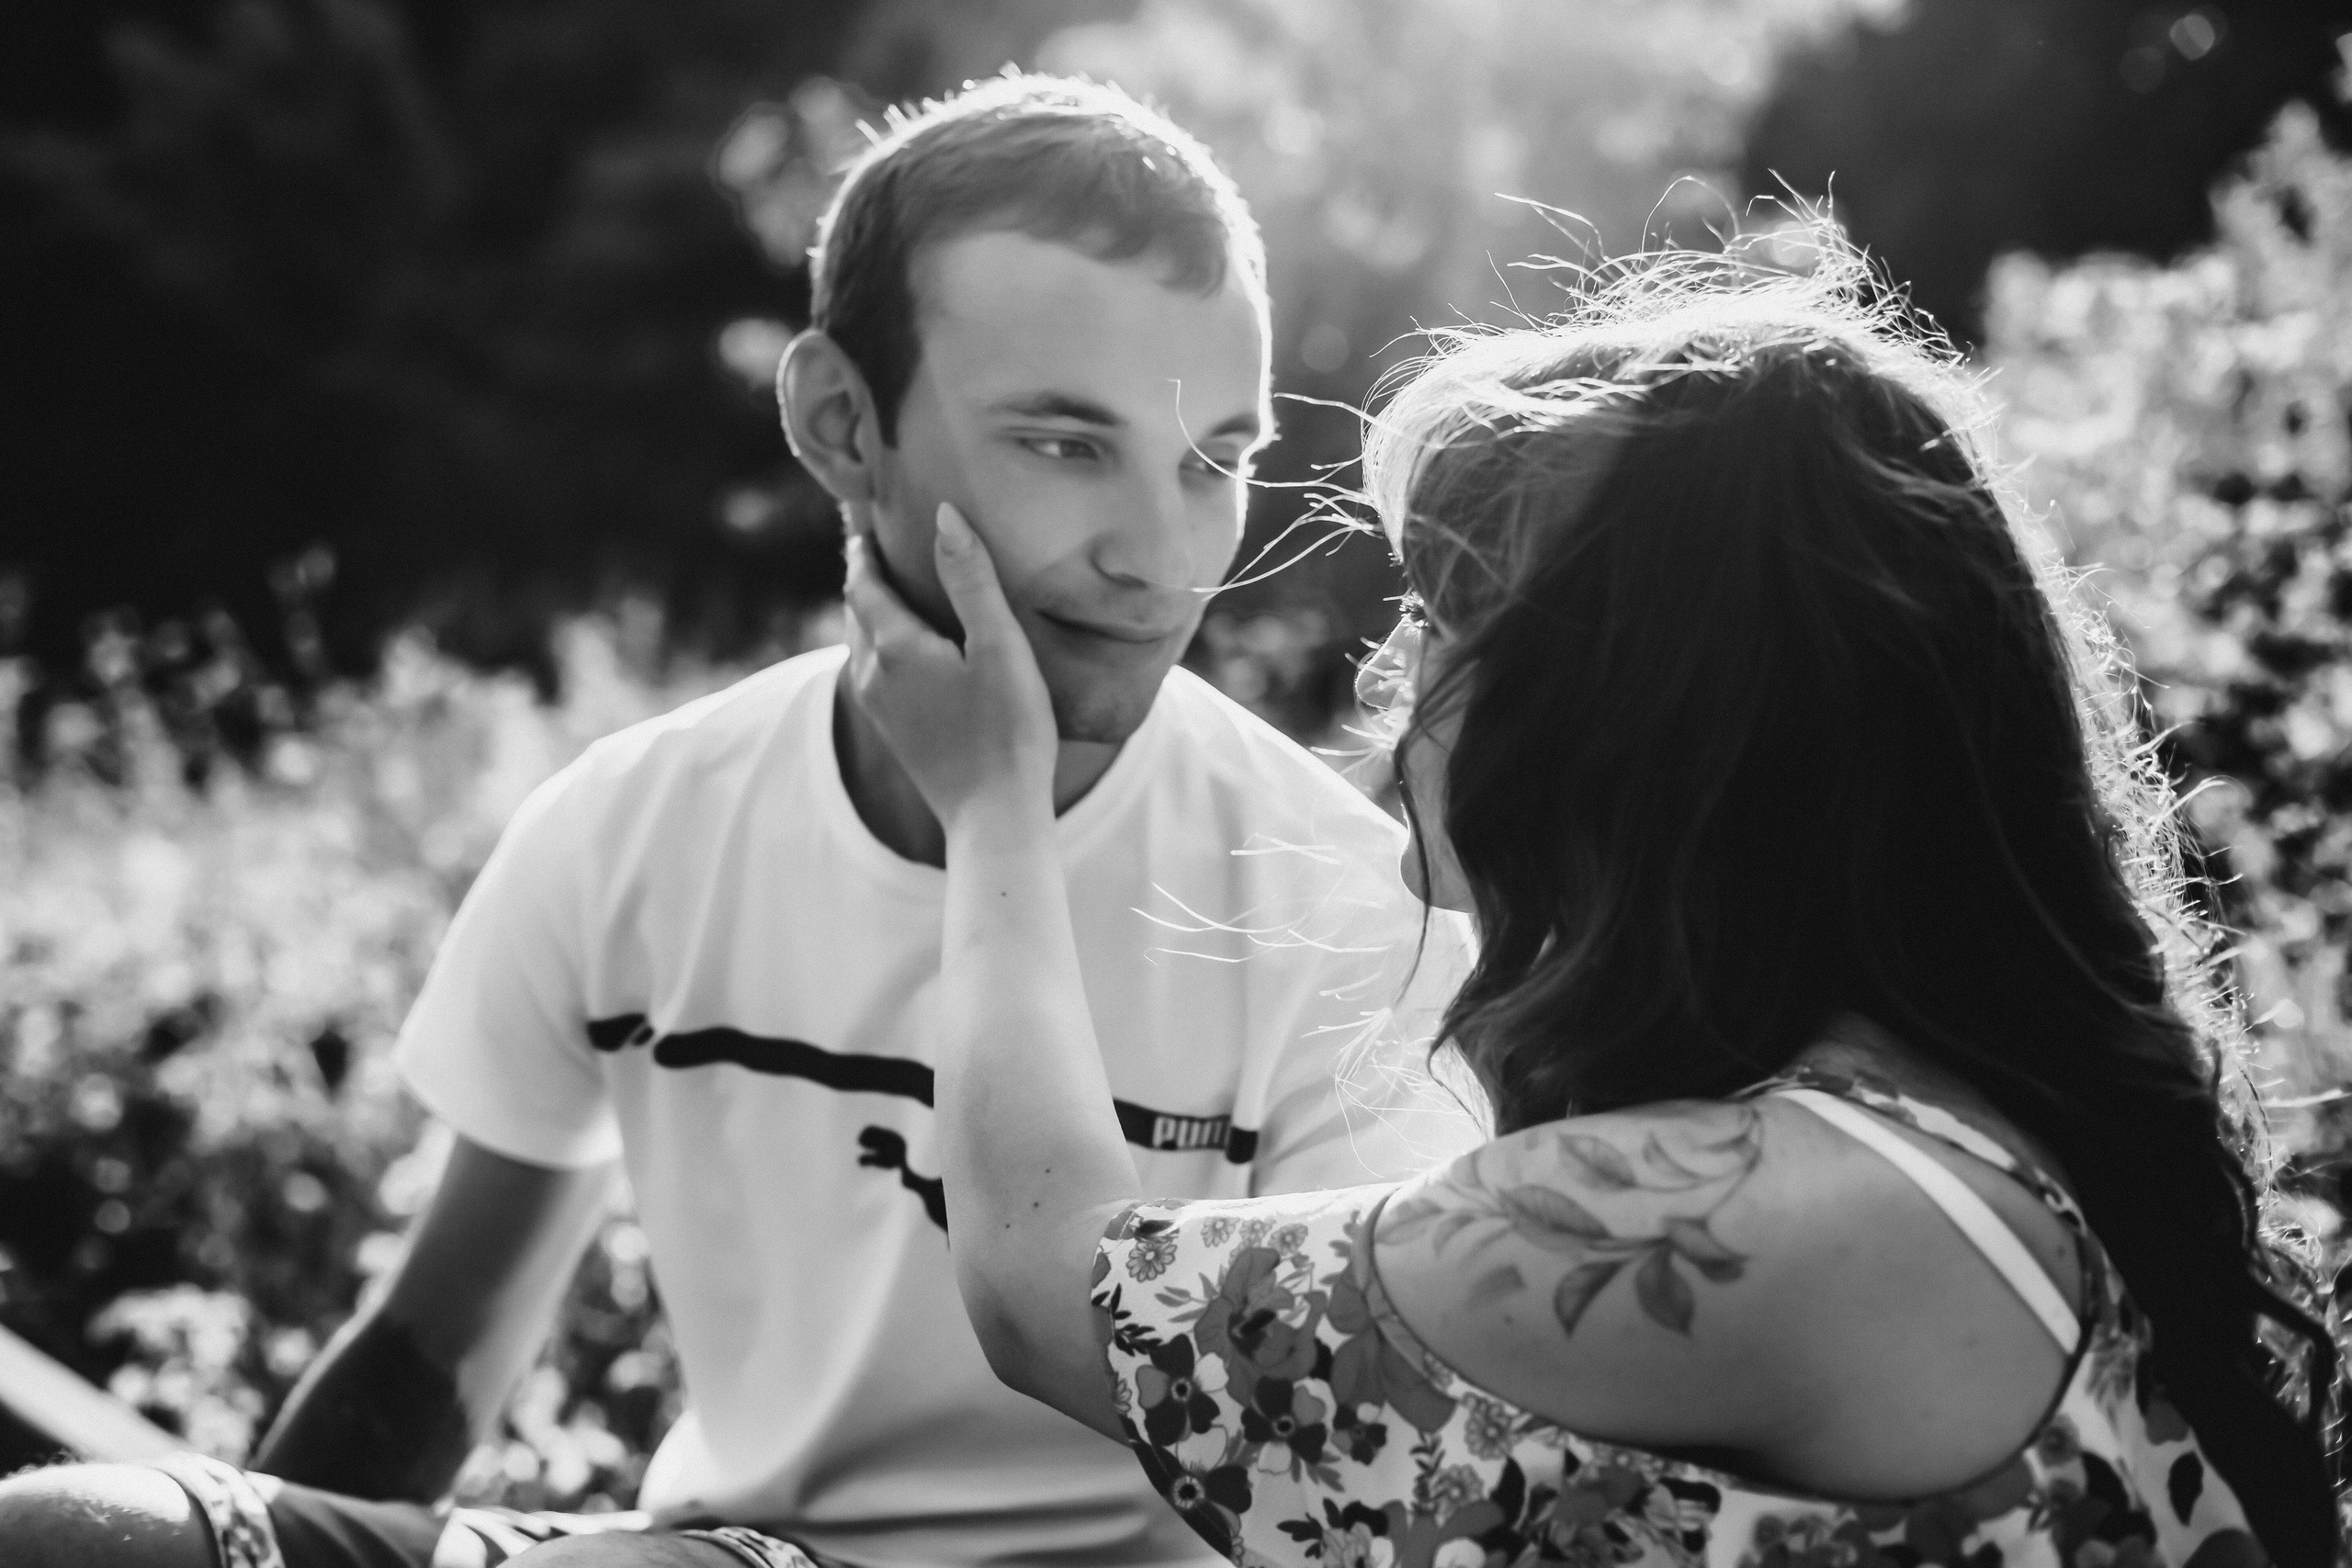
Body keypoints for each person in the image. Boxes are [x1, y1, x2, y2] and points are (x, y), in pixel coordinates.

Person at [0, 74, 1478, 1568]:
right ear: (843, 421)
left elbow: (1340, 1477)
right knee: (69, 1540)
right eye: (1064, 445)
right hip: (724, 1555)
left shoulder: (1340, 901)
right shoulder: (637, 823)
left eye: (1214, 460)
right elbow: (432, 1356)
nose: (1163, 562)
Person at [841, 243, 2346, 1568]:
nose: (1393, 673)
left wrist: (992, 805)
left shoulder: (1765, 1215)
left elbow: (1052, 1284)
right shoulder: (1964, 1140)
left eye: (1441, 609)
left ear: (1625, 709)